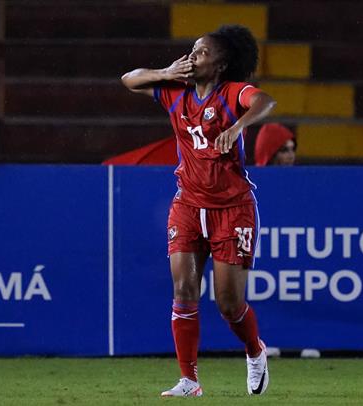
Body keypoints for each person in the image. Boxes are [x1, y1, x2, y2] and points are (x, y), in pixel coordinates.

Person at [121, 25, 277, 397]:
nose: (193, 58)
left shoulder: (230, 93)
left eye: (202, 53)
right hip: (188, 204)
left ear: (221, 64)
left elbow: (265, 101)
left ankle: (255, 351)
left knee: (228, 303)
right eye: (192, 51)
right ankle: (189, 380)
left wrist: (238, 127)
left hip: (232, 207)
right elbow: (129, 79)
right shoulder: (176, 94)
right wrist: (164, 73)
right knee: (184, 288)